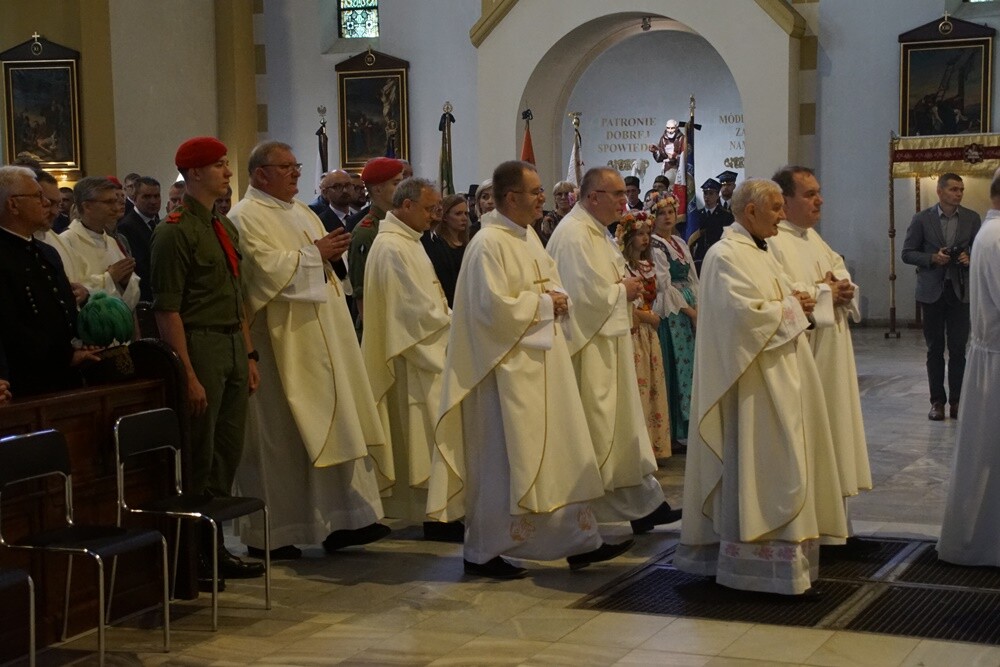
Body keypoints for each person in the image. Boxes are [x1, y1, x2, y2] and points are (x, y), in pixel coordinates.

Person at [434, 160, 633, 579]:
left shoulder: (527, 239)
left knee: (559, 454)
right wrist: (546, 305)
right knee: (504, 463)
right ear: (511, 198)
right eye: (536, 191)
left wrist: (557, 301)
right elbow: (491, 310)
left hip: (543, 366)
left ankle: (574, 541)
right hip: (505, 377)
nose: (544, 198)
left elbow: (555, 288)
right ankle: (484, 551)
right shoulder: (488, 244)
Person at [674, 178, 848, 595]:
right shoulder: (723, 255)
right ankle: (750, 569)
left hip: (784, 374)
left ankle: (788, 565)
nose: (782, 214)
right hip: (751, 384)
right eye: (775, 208)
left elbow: (784, 297)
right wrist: (794, 307)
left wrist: (807, 299)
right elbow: (740, 318)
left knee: (786, 464)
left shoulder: (760, 251)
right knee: (761, 468)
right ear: (749, 212)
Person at [229, 140, 390, 560]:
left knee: (335, 425)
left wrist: (324, 255)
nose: (296, 173)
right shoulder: (244, 217)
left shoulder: (300, 212)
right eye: (287, 167)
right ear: (261, 173)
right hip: (282, 344)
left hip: (324, 338)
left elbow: (322, 263)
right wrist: (312, 255)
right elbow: (261, 271)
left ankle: (340, 521)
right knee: (281, 439)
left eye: (297, 166)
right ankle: (272, 534)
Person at [150, 136, 263, 585]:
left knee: (226, 453)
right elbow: (167, 309)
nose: (228, 172)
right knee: (199, 453)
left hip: (232, 345)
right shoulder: (174, 230)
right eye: (219, 165)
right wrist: (188, 374)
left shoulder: (223, 226)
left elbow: (238, 295)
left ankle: (215, 547)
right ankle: (191, 556)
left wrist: (249, 353)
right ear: (194, 172)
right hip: (200, 346)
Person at [546, 166, 682, 535]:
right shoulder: (574, 236)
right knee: (602, 433)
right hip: (590, 349)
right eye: (618, 194)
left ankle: (643, 504)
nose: (626, 200)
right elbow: (582, 297)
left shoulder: (597, 233)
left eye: (624, 193)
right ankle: (608, 511)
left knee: (622, 432)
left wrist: (626, 287)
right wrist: (623, 290)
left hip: (610, 342)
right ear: (593, 197)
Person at [769, 166, 872, 541]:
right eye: (810, 194)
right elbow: (784, 293)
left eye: (819, 192)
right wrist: (827, 292)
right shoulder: (773, 241)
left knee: (835, 431)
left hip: (833, 354)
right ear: (785, 200)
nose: (819, 200)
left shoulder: (814, 238)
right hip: (806, 356)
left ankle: (835, 525)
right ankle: (815, 526)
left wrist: (843, 289)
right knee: (813, 436)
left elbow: (839, 275)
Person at [362, 177, 464, 540]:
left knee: (430, 437)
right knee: (427, 437)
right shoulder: (392, 248)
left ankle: (439, 512)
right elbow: (413, 312)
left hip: (425, 349)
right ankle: (436, 517)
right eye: (429, 208)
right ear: (405, 206)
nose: (435, 216)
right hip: (416, 356)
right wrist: (457, 323)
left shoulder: (407, 242)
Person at [938, 174, 1000, 567]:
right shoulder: (996, 238)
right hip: (996, 359)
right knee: (987, 459)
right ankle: (980, 545)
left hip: (992, 357)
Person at [0, 166, 100, 397]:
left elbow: (63, 308)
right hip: (27, 382)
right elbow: (10, 326)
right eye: (37, 196)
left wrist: (84, 339)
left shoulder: (47, 252)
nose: (46, 203)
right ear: (12, 205)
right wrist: (64, 355)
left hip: (65, 376)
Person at [901, 173, 981, 420]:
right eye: (954, 189)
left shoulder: (971, 218)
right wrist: (932, 258)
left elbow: (980, 249)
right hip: (932, 291)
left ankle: (958, 401)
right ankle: (937, 401)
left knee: (958, 349)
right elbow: (907, 253)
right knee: (935, 349)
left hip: (960, 291)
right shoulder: (922, 219)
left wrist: (970, 257)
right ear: (940, 191)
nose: (958, 194)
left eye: (961, 190)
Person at [618, 210, 671, 462]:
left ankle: (655, 444)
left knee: (652, 386)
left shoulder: (650, 265)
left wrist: (654, 315)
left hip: (649, 331)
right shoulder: (622, 265)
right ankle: (637, 448)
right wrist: (647, 316)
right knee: (638, 385)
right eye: (640, 234)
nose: (645, 239)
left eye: (648, 234)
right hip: (635, 328)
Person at [647, 191, 697, 450]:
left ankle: (690, 425)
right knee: (677, 365)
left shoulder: (679, 242)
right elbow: (664, 286)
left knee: (690, 366)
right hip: (672, 310)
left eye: (669, 212)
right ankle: (676, 428)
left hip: (688, 303)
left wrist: (698, 304)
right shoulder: (655, 245)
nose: (667, 217)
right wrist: (689, 311)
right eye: (661, 213)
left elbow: (693, 279)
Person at [62, 176, 141, 309]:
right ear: (87, 206)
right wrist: (109, 278)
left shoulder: (112, 242)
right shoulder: (67, 241)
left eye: (116, 201)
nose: (116, 208)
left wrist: (126, 282)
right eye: (109, 202)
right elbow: (72, 292)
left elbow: (132, 297)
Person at [348, 157, 405, 331]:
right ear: (378, 189)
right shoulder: (367, 231)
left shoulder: (399, 224)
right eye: (396, 183)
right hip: (378, 322)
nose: (402, 189)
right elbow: (361, 290)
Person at [117, 176, 162, 302]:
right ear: (135, 198)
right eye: (146, 197)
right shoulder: (126, 227)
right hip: (144, 298)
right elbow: (139, 268)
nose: (153, 201)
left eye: (156, 196)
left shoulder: (159, 223)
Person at [421, 193, 469, 307]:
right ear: (445, 217)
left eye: (466, 213)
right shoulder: (437, 244)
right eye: (458, 214)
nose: (464, 218)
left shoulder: (467, 245)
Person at [688, 178, 735, 274]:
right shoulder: (698, 215)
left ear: (718, 195)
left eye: (711, 193)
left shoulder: (726, 216)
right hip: (700, 258)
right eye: (705, 193)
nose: (707, 197)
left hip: (719, 257)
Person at [535, 180, 575, 246]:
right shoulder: (549, 219)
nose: (563, 197)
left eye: (567, 194)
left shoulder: (578, 217)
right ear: (555, 198)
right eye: (559, 194)